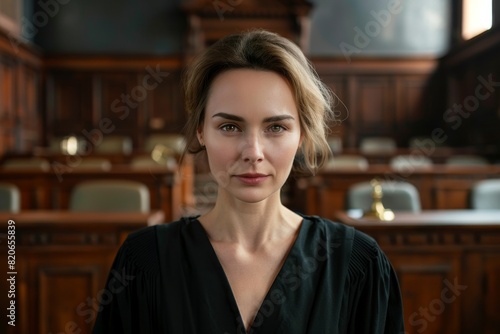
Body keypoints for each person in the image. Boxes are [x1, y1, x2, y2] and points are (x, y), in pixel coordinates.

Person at [92, 29, 405, 334]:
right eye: (229, 127)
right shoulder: (144, 261)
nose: (253, 152)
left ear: (302, 135)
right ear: (201, 130)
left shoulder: (358, 264)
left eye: (276, 128)